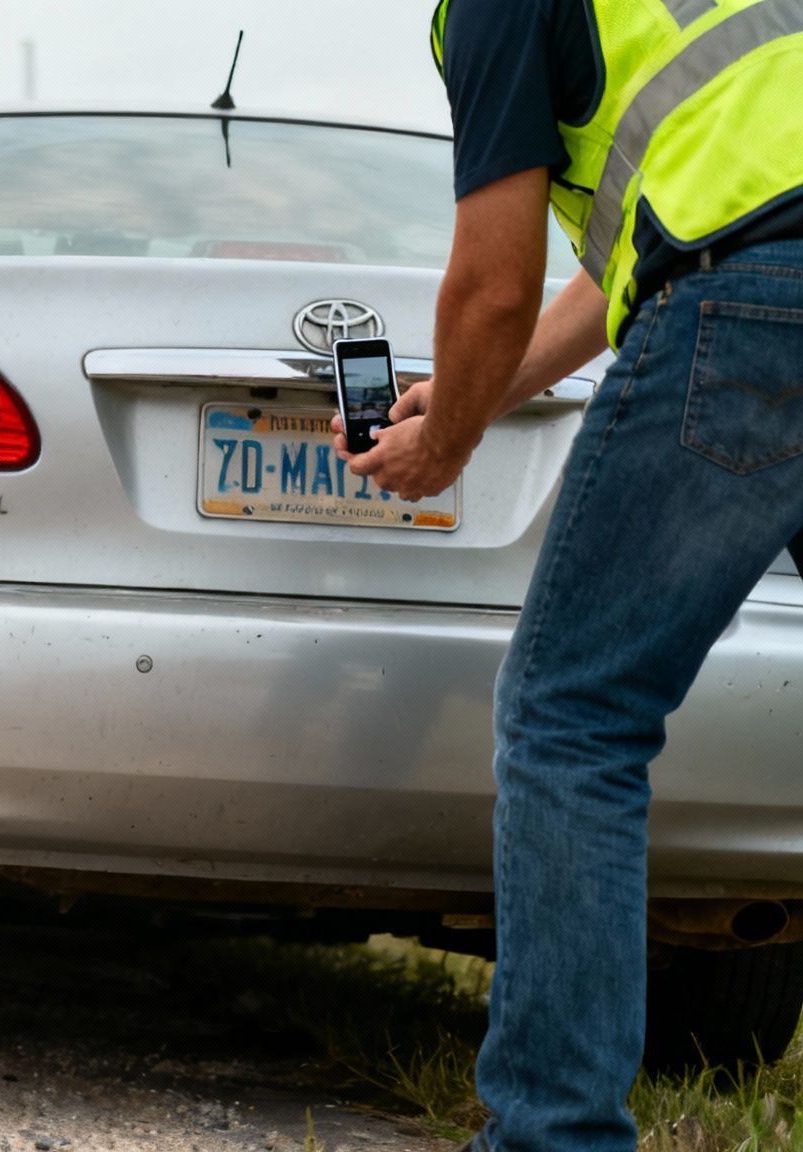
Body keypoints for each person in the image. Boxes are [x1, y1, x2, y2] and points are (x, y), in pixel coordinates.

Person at [332, 1, 803, 1148]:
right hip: (757, 263)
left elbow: (494, 281)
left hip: (750, 306)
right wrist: (464, 401)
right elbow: (615, 270)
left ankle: (551, 1134)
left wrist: (441, 446)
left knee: (572, 716)